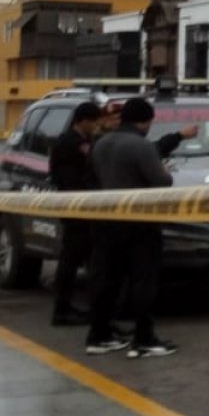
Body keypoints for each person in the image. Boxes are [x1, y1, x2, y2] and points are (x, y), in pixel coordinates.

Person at [87, 96, 178, 357]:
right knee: (143, 280)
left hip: (105, 220)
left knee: (106, 279)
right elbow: (161, 182)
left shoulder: (101, 143)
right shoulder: (141, 146)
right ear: (146, 120)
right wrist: (166, 171)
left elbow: (93, 178)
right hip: (138, 223)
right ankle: (144, 339)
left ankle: (99, 335)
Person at [45, 102, 104, 327]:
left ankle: (77, 307)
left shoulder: (76, 141)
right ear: (83, 121)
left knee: (78, 258)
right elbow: (77, 175)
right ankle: (62, 310)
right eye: (94, 121)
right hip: (76, 208)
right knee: (70, 259)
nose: (96, 126)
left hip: (77, 206)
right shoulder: (72, 143)